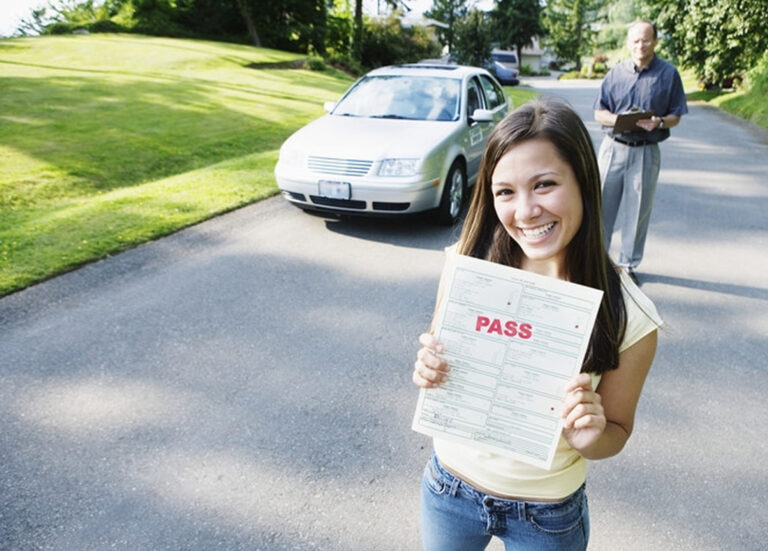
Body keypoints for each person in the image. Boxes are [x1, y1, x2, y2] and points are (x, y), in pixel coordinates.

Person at [412, 100, 662, 550]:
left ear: (585, 183)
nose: (525, 212)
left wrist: (591, 436)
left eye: (544, 184)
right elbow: (438, 358)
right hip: (449, 489)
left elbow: (615, 433)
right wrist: (429, 369)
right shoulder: (467, 267)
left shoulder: (631, 314)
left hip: (546, 513)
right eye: (505, 192)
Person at [594, 20, 688, 283]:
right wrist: (617, 119)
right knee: (601, 205)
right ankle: (597, 259)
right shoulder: (615, 74)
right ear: (628, 43)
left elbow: (676, 116)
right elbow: (598, 112)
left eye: (645, 40)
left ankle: (627, 266)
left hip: (646, 150)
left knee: (638, 211)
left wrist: (658, 121)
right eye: (635, 41)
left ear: (655, 41)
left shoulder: (668, 75)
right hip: (613, 148)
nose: (640, 45)